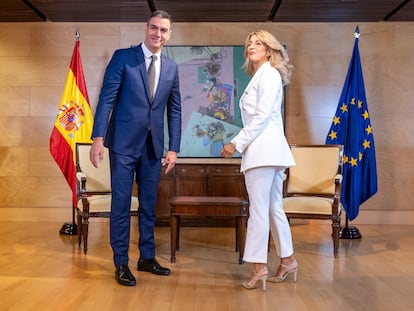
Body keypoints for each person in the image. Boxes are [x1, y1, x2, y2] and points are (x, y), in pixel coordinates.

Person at [90, 10, 181, 286]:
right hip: (123, 144)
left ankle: (146, 257)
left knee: (149, 206)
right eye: (154, 28)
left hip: (153, 148)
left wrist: (173, 148)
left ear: (169, 34)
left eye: (164, 30)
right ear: (146, 28)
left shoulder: (171, 67)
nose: (158, 34)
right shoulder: (123, 58)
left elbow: (174, 109)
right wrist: (97, 138)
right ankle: (121, 263)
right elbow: (106, 99)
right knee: (120, 205)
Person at [221, 30, 297, 291]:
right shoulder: (262, 75)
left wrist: (235, 143)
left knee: (259, 210)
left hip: (263, 152)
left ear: (268, 50)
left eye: (258, 43)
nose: (251, 46)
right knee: (273, 207)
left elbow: (261, 117)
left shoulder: (269, 74)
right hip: (271, 152)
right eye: (249, 43)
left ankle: (258, 266)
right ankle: (287, 260)